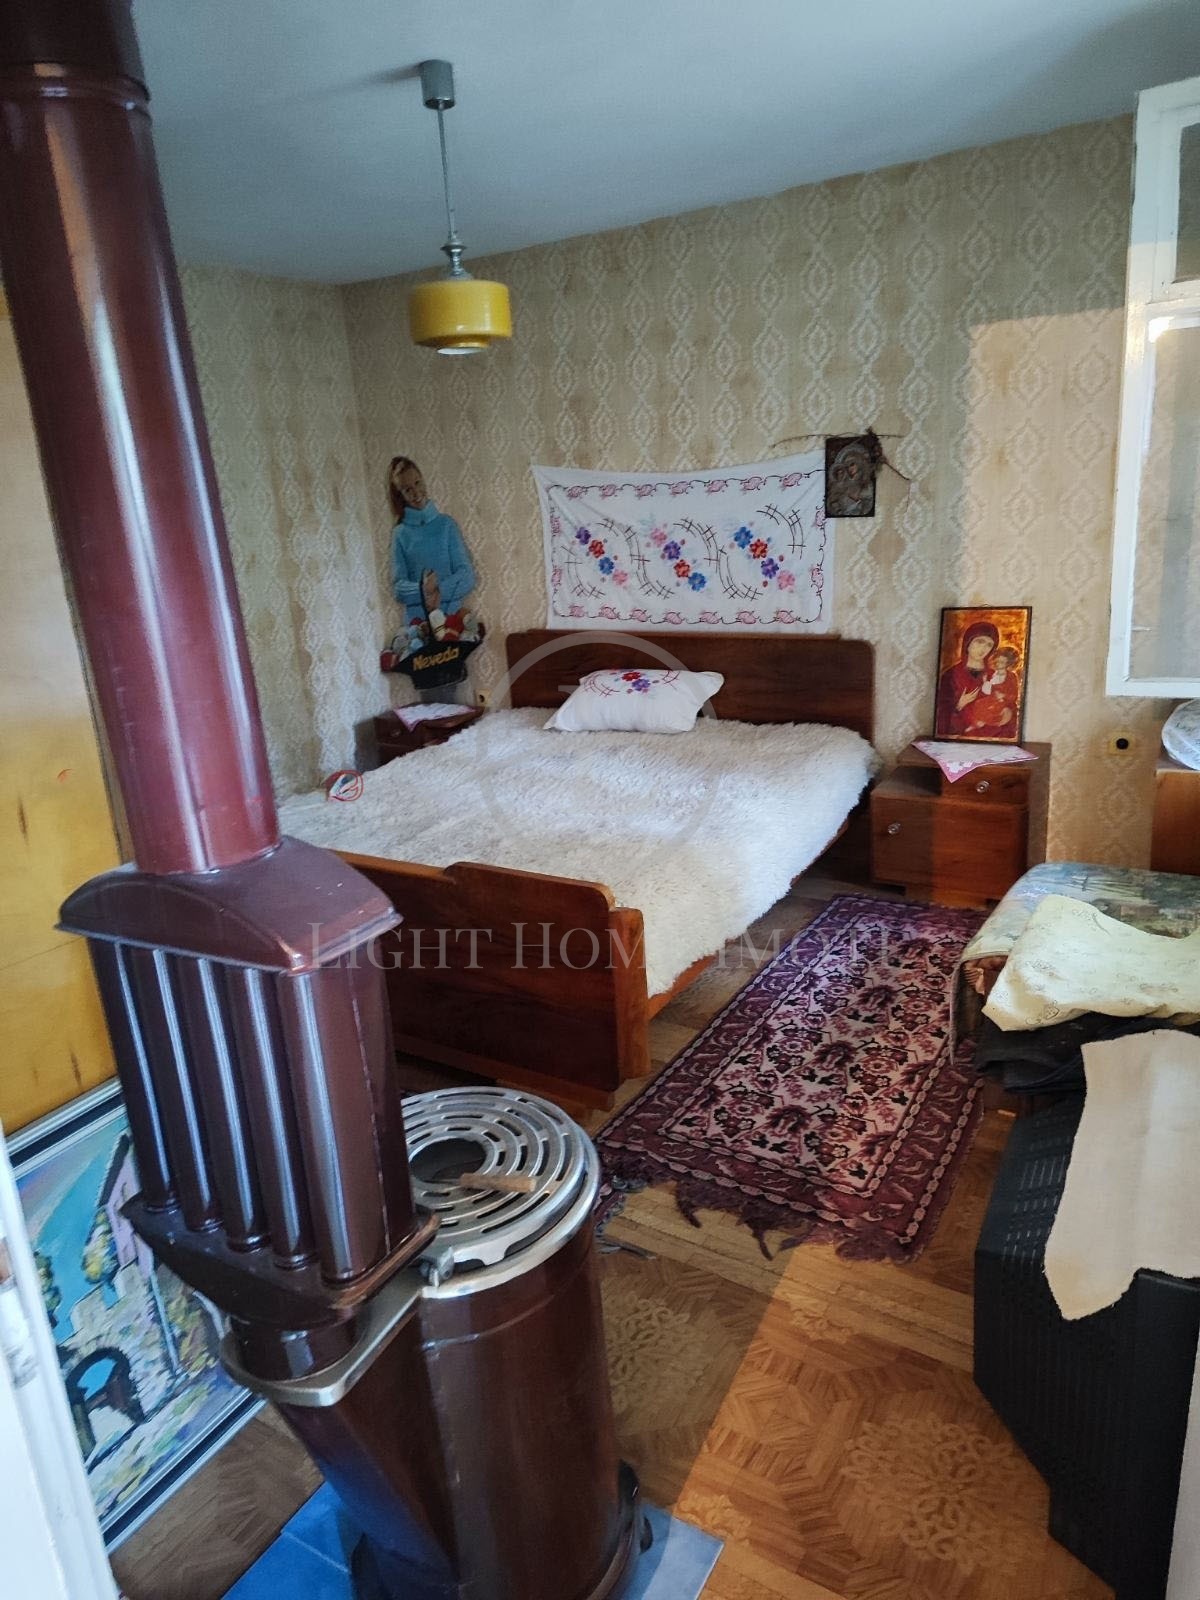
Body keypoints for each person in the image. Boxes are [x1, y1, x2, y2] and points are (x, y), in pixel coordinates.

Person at [387, 457, 476, 629]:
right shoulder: (400, 534)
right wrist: (423, 590)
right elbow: (399, 588)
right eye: (407, 490)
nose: (416, 492)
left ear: (423, 480)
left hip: (452, 623)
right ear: (400, 496)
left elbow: (467, 576)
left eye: (417, 483)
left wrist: (438, 590)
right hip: (418, 627)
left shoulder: (446, 525)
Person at [936, 620, 998, 737]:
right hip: (959, 737)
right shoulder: (950, 675)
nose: (983, 648)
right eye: (980, 641)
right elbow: (942, 716)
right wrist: (959, 704)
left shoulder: (994, 675)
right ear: (968, 642)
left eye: (989, 645)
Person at [964, 644, 1021, 735]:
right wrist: (985, 681)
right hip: (991, 699)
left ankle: (985, 723)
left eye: (1002, 662)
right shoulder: (992, 674)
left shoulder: (1011, 676)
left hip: (1004, 702)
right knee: (979, 704)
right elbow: (986, 691)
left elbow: (1014, 694)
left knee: (995, 709)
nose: (998, 664)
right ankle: (978, 723)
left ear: (1008, 664)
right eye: (997, 661)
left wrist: (1003, 696)